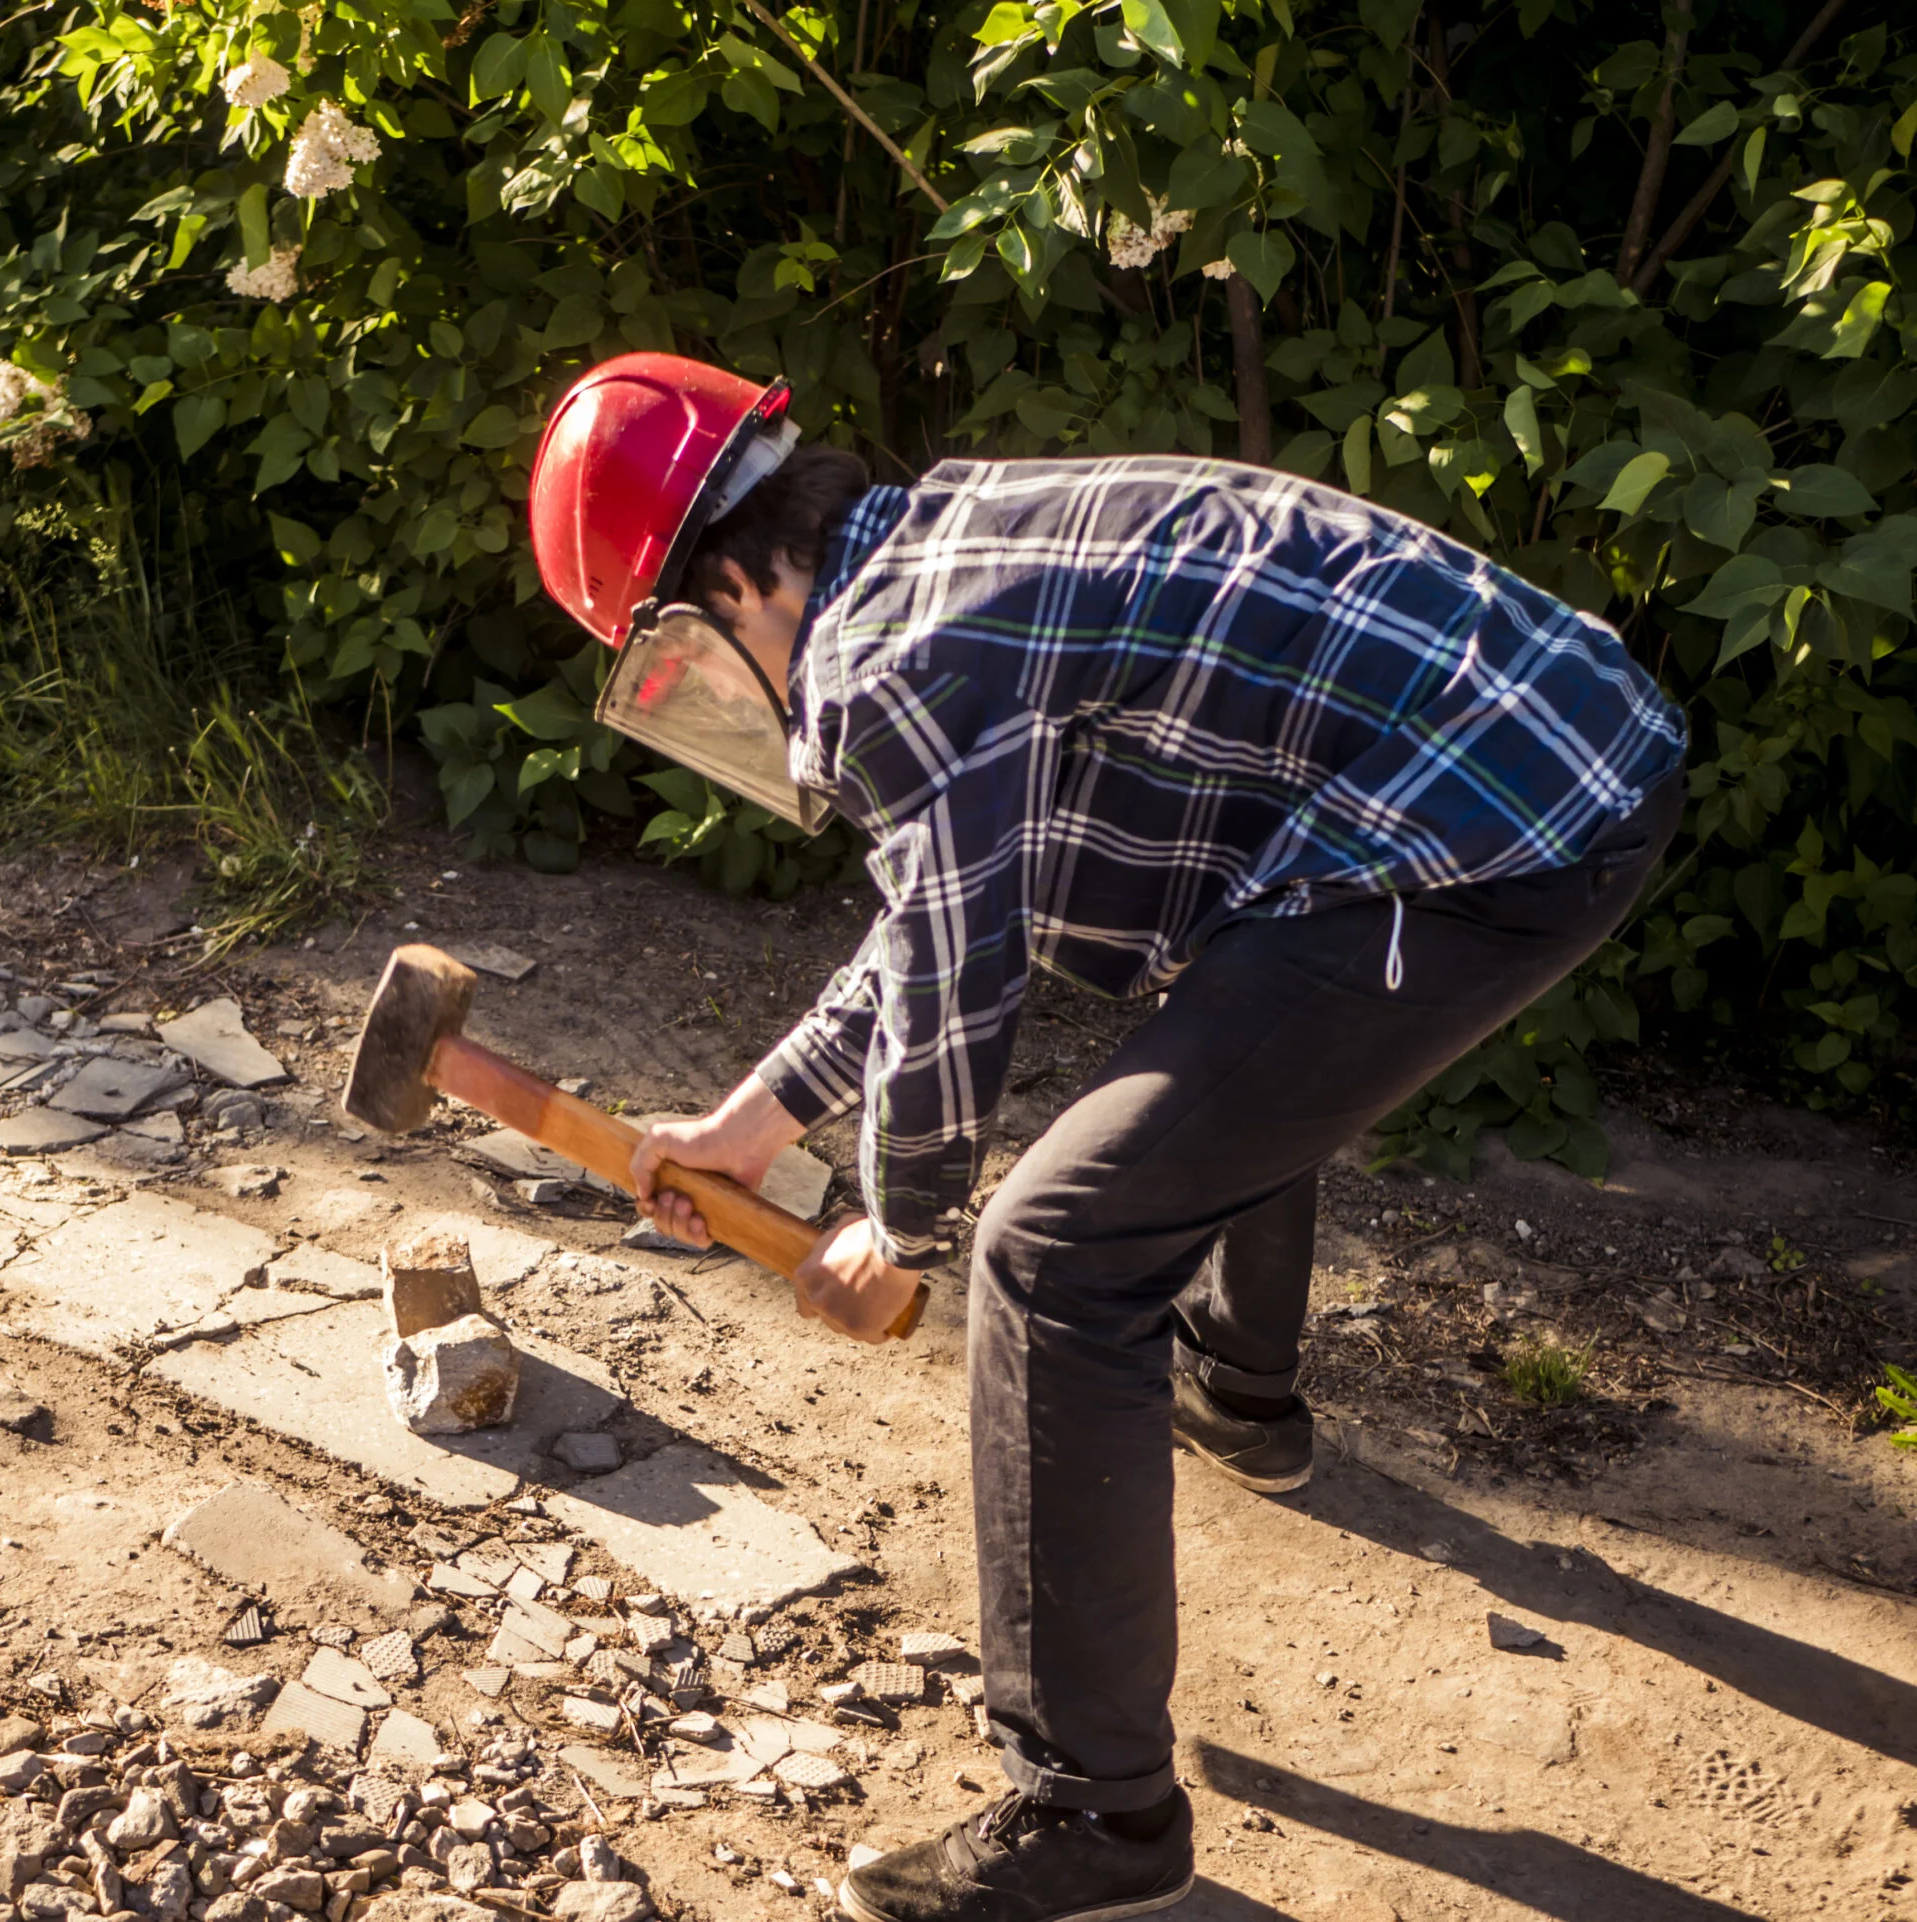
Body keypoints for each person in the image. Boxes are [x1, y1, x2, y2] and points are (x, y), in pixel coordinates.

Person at [525, 353, 1685, 1922]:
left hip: (1506, 816)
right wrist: (759, 1117)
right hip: (1536, 740)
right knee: (1228, 1005)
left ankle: (1094, 1818)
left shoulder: (880, 657)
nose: (729, 706)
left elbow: (956, 987)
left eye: (681, 665)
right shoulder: (936, 549)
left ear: (718, 593)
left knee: (1056, 1249)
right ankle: (1239, 1387)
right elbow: (950, 905)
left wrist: (903, 1227)